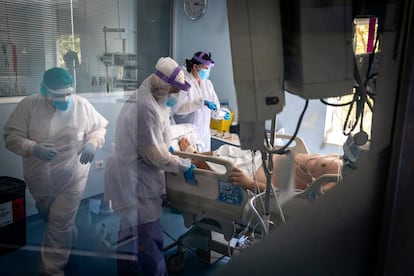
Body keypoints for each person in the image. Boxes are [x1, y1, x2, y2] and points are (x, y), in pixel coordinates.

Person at [3, 67, 108, 276]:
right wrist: (33, 148)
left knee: (59, 224)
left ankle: (51, 271)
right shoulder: (30, 105)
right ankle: (68, 235)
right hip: (38, 176)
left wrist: (93, 143)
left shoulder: (81, 105)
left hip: (73, 175)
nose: (66, 99)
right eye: (59, 95)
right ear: (46, 91)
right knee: (50, 216)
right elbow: (11, 136)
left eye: (69, 93)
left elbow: (98, 128)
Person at [104, 57, 196, 276]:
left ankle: (127, 270)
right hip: (137, 180)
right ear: (164, 87)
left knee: (128, 230)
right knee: (149, 236)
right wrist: (182, 165)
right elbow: (153, 154)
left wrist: (168, 149)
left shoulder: (152, 98)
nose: (175, 94)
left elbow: (158, 137)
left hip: (133, 173)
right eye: (173, 90)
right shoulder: (145, 106)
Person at [177, 137, 342, 193]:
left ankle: (192, 158)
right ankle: (193, 155)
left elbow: (298, 198)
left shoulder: (338, 182)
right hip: (264, 157)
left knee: (223, 167)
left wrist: (250, 184)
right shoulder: (343, 159)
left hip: (258, 174)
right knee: (226, 150)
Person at [172, 51, 230, 152]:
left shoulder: (208, 84)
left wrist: (222, 113)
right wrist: (201, 103)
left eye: (209, 69)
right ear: (195, 66)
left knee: (203, 163)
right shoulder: (184, 82)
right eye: (206, 68)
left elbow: (214, 110)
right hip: (186, 137)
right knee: (190, 162)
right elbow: (177, 109)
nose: (208, 71)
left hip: (204, 136)